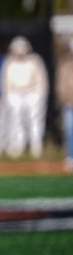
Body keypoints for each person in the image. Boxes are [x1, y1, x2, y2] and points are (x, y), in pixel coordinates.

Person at [0, 36, 48, 159]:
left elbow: (41, 81)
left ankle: (36, 145)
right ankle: (17, 146)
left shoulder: (35, 61)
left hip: (33, 94)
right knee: (15, 121)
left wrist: (38, 95)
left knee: (35, 121)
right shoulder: (8, 62)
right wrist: (7, 96)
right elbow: (4, 81)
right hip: (15, 94)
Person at [57, 38, 73, 172]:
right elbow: (61, 85)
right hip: (70, 104)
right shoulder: (66, 65)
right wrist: (67, 99)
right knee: (70, 131)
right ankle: (70, 157)